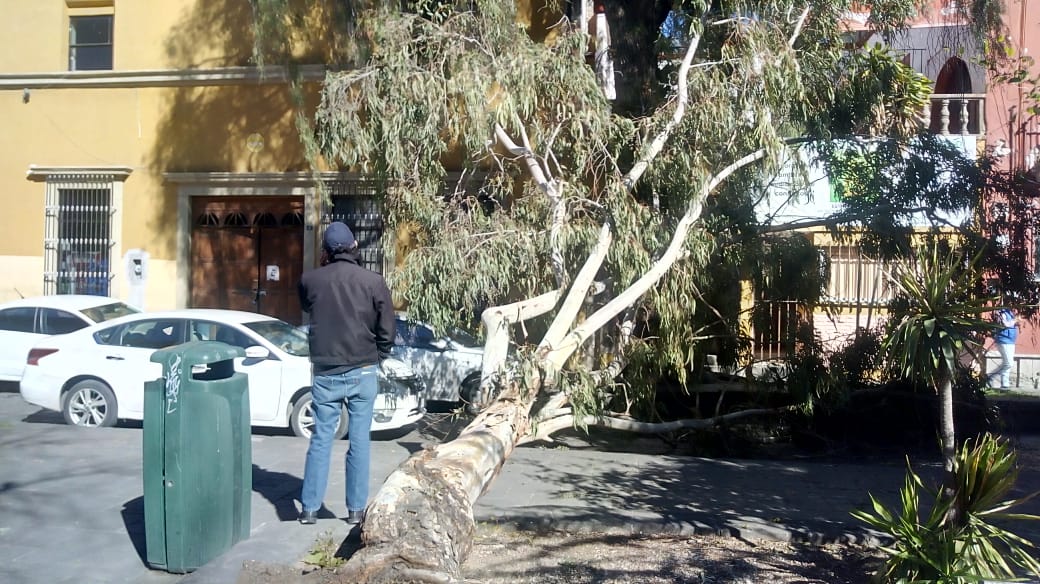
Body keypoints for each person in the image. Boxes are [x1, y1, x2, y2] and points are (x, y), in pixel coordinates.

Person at [297, 221, 396, 525]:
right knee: (359, 441)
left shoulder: (310, 280)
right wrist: (378, 355)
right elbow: (387, 327)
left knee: (321, 439)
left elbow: (307, 310)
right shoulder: (372, 281)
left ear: (325, 249)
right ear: (354, 246)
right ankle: (355, 511)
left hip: (326, 371)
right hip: (363, 370)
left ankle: (310, 509)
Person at [990, 307, 1019, 390]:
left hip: (1010, 340)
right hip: (1004, 340)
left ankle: (1005, 385)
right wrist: (1015, 320)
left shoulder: (1009, 312)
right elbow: (1005, 324)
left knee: (1007, 363)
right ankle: (991, 377)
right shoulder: (1001, 312)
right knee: (1009, 363)